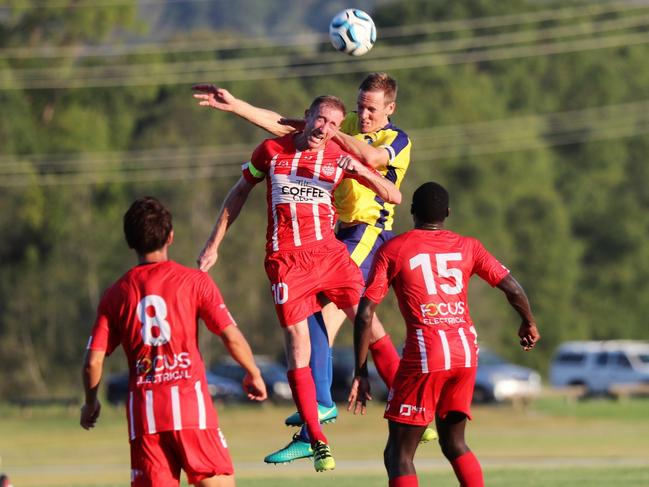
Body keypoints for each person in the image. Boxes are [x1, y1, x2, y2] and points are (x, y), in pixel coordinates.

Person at [193, 73, 435, 464]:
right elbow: (283, 124)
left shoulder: (396, 139)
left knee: (330, 318)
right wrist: (236, 105)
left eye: (372, 108)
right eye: (360, 106)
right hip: (332, 236)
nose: (365, 114)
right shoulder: (330, 131)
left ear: (390, 109)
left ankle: (321, 407)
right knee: (343, 321)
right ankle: (351, 409)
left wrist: (332, 133)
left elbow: (372, 160)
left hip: (368, 232)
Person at [349, 182, 541, 487]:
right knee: (454, 444)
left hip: (427, 353)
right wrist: (528, 322)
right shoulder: (469, 246)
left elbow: (365, 313)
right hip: (465, 351)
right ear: (448, 213)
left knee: (398, 454)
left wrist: (361, 370)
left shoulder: (394, 249)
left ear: (411, 211)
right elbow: (512, 287)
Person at [80, 196, 267, 487]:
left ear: (130, 243)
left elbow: (93, 360)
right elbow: (230, 335)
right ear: (170, 236)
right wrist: (252, 372)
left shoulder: (115, 294)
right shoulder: (194, 282)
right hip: (193, 411)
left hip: (145, 419)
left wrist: (90, 403)